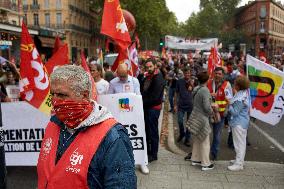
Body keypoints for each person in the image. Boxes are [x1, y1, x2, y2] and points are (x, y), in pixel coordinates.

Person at [37, 65, 136, 189]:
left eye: (62, 95)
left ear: (84, 95)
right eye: (53, 94)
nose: (55, 101)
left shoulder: (112, 137)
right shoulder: (54, 123)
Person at [185, 71, 215, 171]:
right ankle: (206, 164)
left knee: (197, 139)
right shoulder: (205, 90)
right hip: (202, 118)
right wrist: (212, 110)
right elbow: (207, 107)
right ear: (207, 80)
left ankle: (195, 159)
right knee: (205, 141)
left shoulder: (197, 88)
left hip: (195, 115)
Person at [140, 58, 166, 163]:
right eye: (147, 67)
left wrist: (141, 102)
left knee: (152, 131)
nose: (148, 69)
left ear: (155, 66)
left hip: (153, 109)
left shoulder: (158, 78)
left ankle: (153, 154)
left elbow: (154, 98)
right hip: (147, 108)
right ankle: (149, 151)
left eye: (150, 66)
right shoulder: (147, 76)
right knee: (147, 131)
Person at [207, 67, 233, 160]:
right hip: (208, 114)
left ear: (222, 75)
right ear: (213, 74)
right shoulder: (208, 83)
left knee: (217, 136)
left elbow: (229, 100)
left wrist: (226, 112)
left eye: (219, 74)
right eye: (216, 73)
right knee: (205, 134)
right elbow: (204, 96)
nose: (217, 75)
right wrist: (210, 95)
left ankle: (214, 155)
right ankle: (204, 153)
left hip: (220, 115)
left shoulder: (227, 85)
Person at [227, 76, 250, 171]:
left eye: (235, 83)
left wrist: (229, 104)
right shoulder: (243, 93)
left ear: (239, 85)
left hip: (239, 122)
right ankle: (239, 160)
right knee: (241, 142)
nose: (234, 84)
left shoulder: (240, 97)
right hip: (242, 121)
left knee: (238, 143)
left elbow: (235, 112)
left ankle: (239, 164)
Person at [174, 67, 194, 147]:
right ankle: (182, 133)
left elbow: (196, 91)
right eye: (186, 73)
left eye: (189, 73)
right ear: (183, 73)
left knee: (189, 124)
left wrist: (192, 86)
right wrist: (175, 104)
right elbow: (176, 93)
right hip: (181, 105)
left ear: (190, 74)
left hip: (190, 105)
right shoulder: (179, 81)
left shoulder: (193, 81)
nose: (187, 75)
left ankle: (187, 139)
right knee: (180, 121)